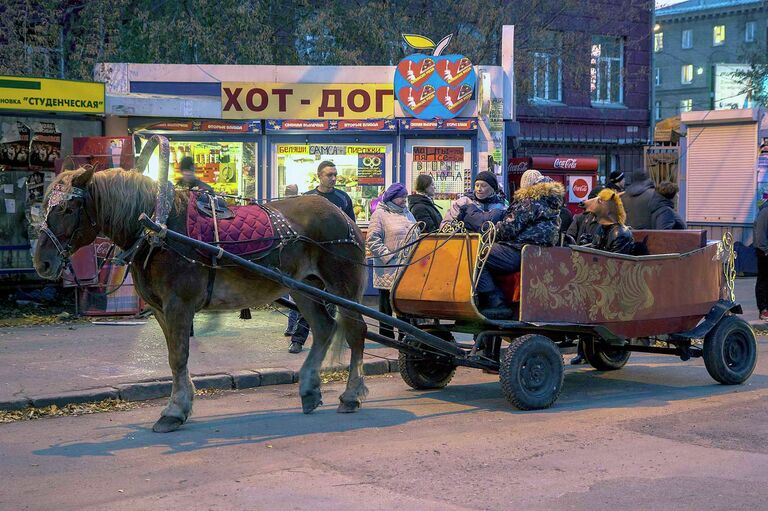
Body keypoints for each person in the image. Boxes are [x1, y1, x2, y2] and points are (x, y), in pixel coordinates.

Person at [471, 170, 564, 316]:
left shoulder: (530, 200)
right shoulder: (548, 201)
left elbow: (509, 229)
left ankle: (496, 301)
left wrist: (492, 231)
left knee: (475, 252)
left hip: (520, 250)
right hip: (534, 252)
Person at [288, 164, 356, 353]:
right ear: (319, 176)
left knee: (336, 299)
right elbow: (297, 227)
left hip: (335, 257)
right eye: (329, 175)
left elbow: (351, 227)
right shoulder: (308, 198)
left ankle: (335, 338)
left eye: (335, 174)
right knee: (309, 298)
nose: (333, 178)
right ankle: (298, 339)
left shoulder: (343, 198)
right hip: (312, 258)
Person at [570, 188, 634, 365]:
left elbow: (614, 266)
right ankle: (583, 348)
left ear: (607, 205)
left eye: (598, 200)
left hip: (612, 284)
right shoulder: (601, 228)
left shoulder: (620, 233)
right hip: (598, 278)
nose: (592, 202)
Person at [367, 183, 417, 339]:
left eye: (405, 196)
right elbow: (372, 240)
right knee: (386, 305)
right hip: (388, 267)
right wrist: (388, 257)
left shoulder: (407, 213)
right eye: (401, 197)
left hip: (407, 266)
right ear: (392, 198)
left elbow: (416, 232)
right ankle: (387, 336)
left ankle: (405, 335)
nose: (404, 200)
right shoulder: (380, 214)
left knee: (403, 302)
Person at [442, 170, 506, 230]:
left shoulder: (502, 205)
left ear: (493, 188)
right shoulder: (463, 202)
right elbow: (445, 226)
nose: (479, 189)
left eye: (483, 186)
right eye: (477, 185)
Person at [754, 200, 768, 321]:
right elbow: (760, 235)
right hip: (764, 252)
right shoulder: (765, 211)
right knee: (764, 281)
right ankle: (763, 309)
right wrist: (765, 250)